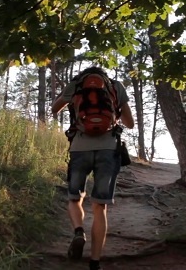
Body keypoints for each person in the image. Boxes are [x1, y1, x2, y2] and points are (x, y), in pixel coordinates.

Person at [51, 66, 134, 270]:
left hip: (79, 147)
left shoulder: (76, 85)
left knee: (74, 197)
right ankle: (95, 263)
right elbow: (130, 123)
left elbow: (54, 109)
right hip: (108, 149)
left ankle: (79, 231)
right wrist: (116, 114)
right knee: (100, 206)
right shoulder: (116, 86)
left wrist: (71, 99)